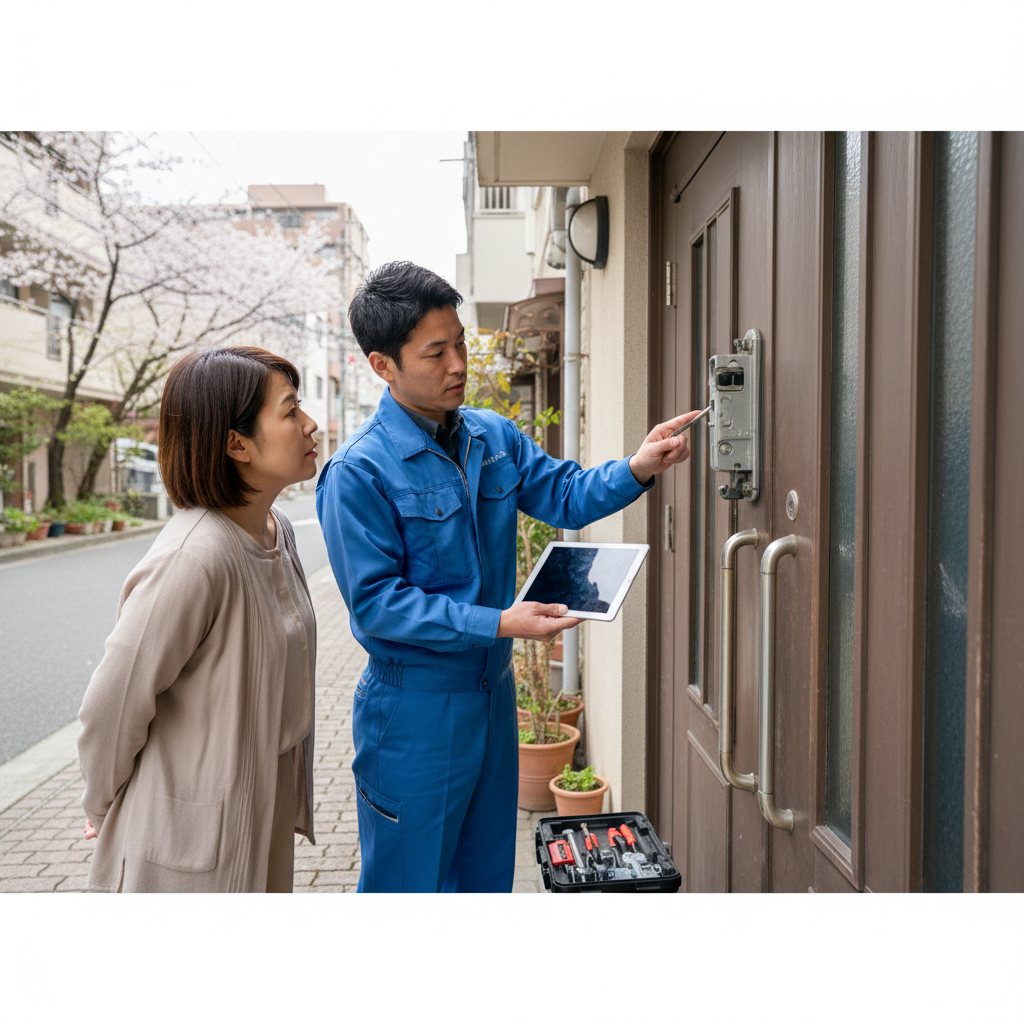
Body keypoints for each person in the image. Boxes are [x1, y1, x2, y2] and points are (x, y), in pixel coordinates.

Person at [316, 262, 698, 892]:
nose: (458, 364)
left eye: (461, 344)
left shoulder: (491, 436)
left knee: (488, 878)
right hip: (413, 710)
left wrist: (638, 464)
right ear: (383, 366)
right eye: (435, 353)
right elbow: (378, 606)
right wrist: (498, 622)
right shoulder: (359, 473)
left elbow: (568, 494)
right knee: (408, 887)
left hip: (493, 699)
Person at [77, 346, 319, 892]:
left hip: (261, 809)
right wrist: (101, 804)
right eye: (289, 411)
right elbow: (111, 706)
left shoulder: (277, 530)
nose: (310, 424)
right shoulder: (194, 558)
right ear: (236, 443)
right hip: (186, 843)